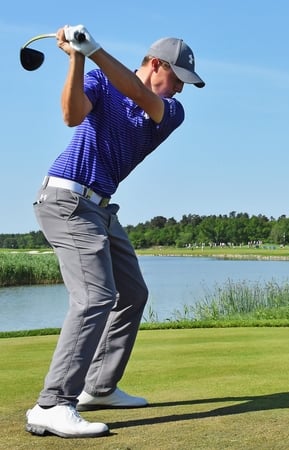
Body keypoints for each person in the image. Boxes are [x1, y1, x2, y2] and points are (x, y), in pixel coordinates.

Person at [25, 24, 204, 438]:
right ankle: (52, 403)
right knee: (94, 297)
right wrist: (78, 58)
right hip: (66, 200)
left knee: (133, 293)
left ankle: (100, 387)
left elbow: (139, 94)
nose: (178, 88)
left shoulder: (170, 111)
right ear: (156, 64)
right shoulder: (99, 79)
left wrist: (95, 50)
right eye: (176, 78)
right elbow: (71, 116)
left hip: (102, 209)